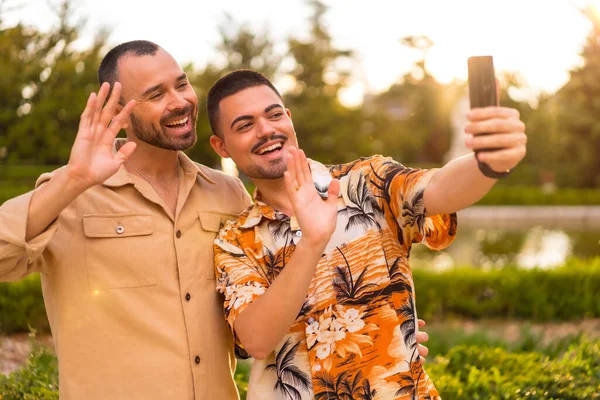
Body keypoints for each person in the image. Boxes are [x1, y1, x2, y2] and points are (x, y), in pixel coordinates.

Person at [207, 70, 527, 399]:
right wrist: (312, 242)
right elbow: (256, 339)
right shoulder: (234, 240)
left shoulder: (367, 183)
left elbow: (442, 188)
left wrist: (488, 162)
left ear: (288, 118)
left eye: (274, 114)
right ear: (222, 146)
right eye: (245, 125)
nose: (266, 130)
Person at [0, 40, 253, 399]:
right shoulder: (70, 193)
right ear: (119, 109)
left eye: (181, 84)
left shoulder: (228, 193)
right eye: (156, 94)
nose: (180, 101)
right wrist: (72, 180)